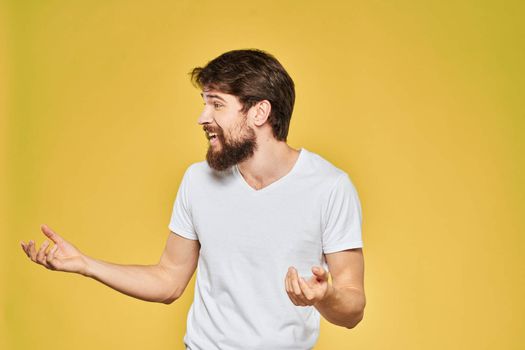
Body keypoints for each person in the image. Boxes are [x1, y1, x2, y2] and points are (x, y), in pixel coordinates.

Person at [20, 49, 366, 350]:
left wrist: (326, 296)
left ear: (259, 112)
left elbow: (352, 308)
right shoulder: (197, 181)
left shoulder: (329, 187)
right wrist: (86, 265)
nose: (203, 118)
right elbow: (169, 280)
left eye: (216, 104)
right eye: (204, 104)